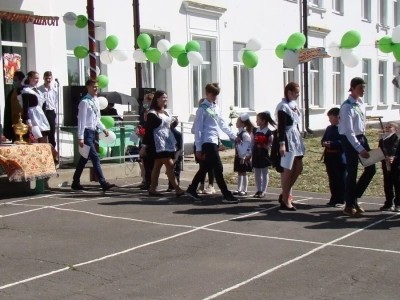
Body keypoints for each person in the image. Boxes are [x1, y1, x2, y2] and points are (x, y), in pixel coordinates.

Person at [186, 82, 241, 204]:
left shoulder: (215, 108)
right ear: (207, 93)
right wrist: (199, 148)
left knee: (206, 167)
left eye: (216, 95)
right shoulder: (202, 109)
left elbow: (222, 124)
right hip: (207, 141)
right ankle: (226, 194)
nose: (215, 97)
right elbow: (198, 129)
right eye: (213, 95)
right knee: (218, 167)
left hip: (214, 140)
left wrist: (233, 136)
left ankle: (191, 189)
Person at [339, 77, 376, 216]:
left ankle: (354, 197)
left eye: (364, 88)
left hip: (361, 137)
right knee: (352, 171)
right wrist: (359, 148)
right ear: (353, 88)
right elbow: (348, 131)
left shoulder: (361, 104)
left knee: (371, 168)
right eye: (360, 88)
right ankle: (349, 204)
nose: (363, 90)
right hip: (350, 140)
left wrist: (363, 143)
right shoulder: (347, 106)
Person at [71, 78, 115, 192]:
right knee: (95, 157)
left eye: (96, 86)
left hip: (92, 131)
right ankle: (103, 182)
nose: (96, 89)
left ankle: (75, 181)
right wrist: (80, 137)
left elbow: (97, 118)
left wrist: (103, 129)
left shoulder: (95, 100)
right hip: (86, 132)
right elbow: (81, 120)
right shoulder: (84, 102)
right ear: (88, 87)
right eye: (93, 86)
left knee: (84, 158)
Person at [139, 90, 185, 197]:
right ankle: (177, 189)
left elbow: (170, 125)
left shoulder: (167, 112)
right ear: (157, 99)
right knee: (169, 163)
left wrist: (174, 121)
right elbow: (149, 130)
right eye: (163, 97)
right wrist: (144, 147)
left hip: (167, 140)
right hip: (157, 143)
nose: (165, 99)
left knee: (158, 165)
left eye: (166, 97)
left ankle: (152, 189)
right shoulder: (152, 113)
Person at [275, 82, 305, 211]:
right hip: (286, 139)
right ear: (289, 92)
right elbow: (281, 127)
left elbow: (296, 124)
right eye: (296, 92)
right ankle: (286, 199)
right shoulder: (283, 107)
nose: (298, 95)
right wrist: (282, 144)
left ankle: (284, 193)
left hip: (295, 138)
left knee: (298, 168)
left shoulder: (294, 105)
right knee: (288, 170)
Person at [321, 107, 346, 208]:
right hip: (329, 156)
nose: (330, 120)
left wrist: (331, 143)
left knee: (340, 179)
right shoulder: (329, 128)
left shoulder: (343, 128)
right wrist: (324, 143)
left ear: (338, 117)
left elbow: (343, 142)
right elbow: (323, 139)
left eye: (331, 118)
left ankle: (341, 199)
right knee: (332, 179)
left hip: (339, 157)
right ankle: (334, 197)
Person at [192, 99, 216, 195]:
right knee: (202, 165)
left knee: (211, 165)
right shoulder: (200, 112)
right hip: (200, 143)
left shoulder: (213, 112)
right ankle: (201, 184)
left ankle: (211, 185)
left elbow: (216, 125)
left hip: (209, 142)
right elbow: (194, 129)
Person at [20, 71, 50, 143]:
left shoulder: (37, 90)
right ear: (30, 78)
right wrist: (28, 121)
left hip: (40, 116)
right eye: (35, 78)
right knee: (35, 138)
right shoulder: (26, 90)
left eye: (38, 78)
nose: (37, 80)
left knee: (44, 135)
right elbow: (25, 107)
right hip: (32, 116)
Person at [252, 111, 275, 198]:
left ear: (264, 121)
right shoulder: (255, 131)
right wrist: (249, 153)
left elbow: (270, 145)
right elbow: (251, 142)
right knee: (257, 172)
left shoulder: (269, 133)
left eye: (258, 119)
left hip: (264, 154)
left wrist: (263, 145)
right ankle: (258, 190)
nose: (256, 121)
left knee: (264, 172)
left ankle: (264, 190)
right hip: (256, 153)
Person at [378, 122, 400, 212]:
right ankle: (388, 203)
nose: (387, 129)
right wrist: (383, 158)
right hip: (386, 165)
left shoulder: (398, 139)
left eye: (389, 127)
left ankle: (398, 204)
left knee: (398, 184)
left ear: (396, 129)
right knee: (387, 184)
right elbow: (380, 152)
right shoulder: (382, 140)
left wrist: (394, 158)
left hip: (397, 166)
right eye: (386, 127)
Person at [232, 113, 253, 196]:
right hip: (238, 156)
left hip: (242, 157)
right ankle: (239, 188)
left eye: (237, 122)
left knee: (243, 172)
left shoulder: (245, 134)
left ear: (242, 123)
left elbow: (247, 147)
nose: (236, 123)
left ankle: (245, 189)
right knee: (239, 172)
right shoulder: (239, 134)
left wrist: (244, 157)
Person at [38, 71, 58, 148]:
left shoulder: (54, 90)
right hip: (43, 112)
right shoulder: (40, 89)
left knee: (52, 132)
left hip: (51, 111)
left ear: (52, 78)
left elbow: (56, 101)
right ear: (44, 78)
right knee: (43, 132)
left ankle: (53, 153)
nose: (48, 80)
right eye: (46, 78)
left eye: (49, 78)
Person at [3, 71, 24, 142]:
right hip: (14, 125)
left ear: (21, 80)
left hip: (25, 125)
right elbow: (8, 111)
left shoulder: (26, 92)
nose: (14, 82)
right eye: (13, 80)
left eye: (16, 80)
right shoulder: (11, 93)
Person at [167, 118, 183, 192]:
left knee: (172, 170)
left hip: (174, 154)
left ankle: (172, 186)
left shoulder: (174, 133)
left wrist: (175, 158)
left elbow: (179, 147)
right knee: (175, 171)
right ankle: (174, 185)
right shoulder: (177, 134)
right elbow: (180, 147)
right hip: (175, 154)